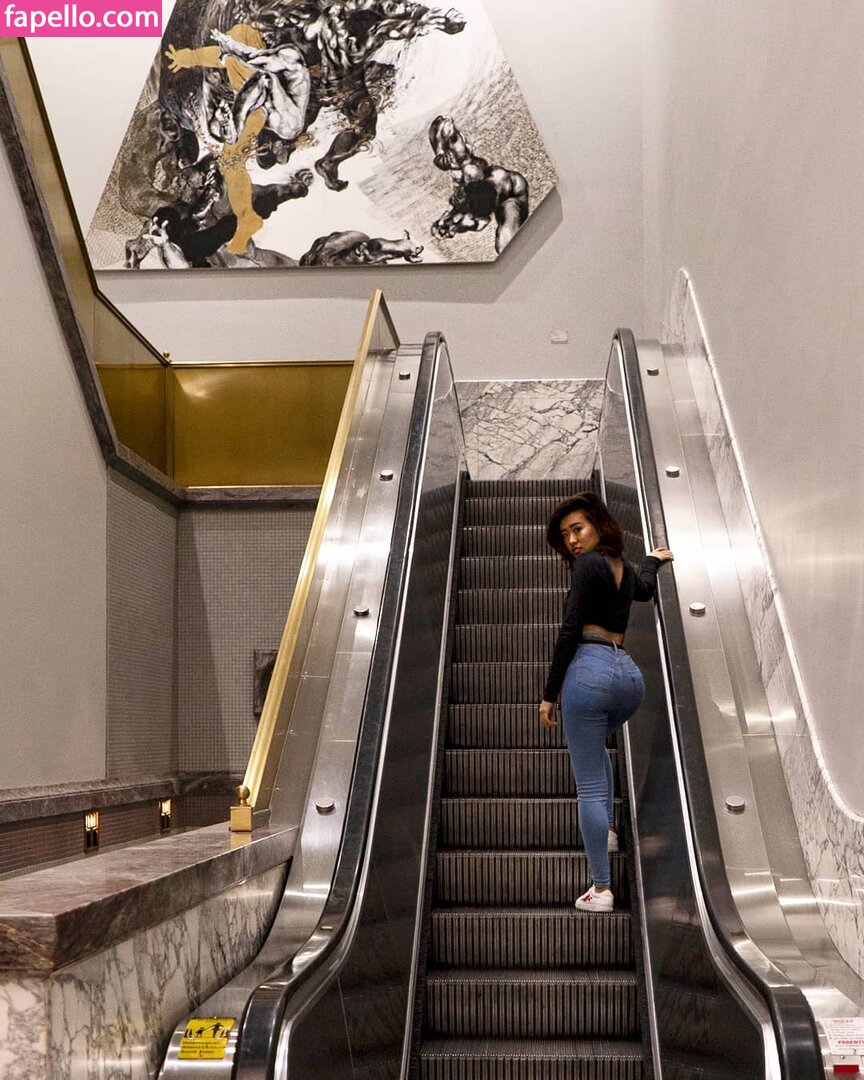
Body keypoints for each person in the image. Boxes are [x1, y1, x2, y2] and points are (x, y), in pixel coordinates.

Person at [538, 493, 673, 912]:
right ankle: (609, 832)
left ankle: (600, 890)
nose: (572, 540)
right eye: (565, 535)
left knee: (589, 787)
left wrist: (549, 694)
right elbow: (645, 591)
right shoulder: (621, 566)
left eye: (578, 529)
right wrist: (650, 560)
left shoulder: (587, 565)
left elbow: (570, 628)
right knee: (595, 748)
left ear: (598, 524)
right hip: (628, 677)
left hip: (590, 670)